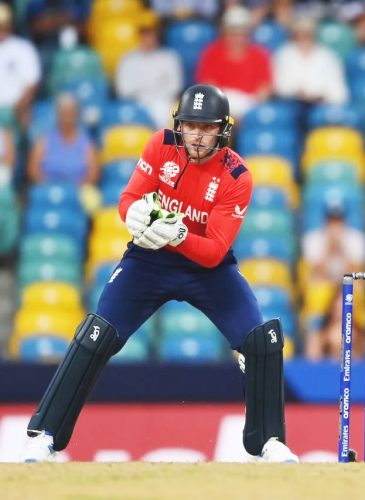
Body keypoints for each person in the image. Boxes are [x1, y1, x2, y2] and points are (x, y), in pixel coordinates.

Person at [22, 84, 299, 464]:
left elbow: (214, 250)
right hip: (149, 259)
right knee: (96, 334)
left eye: (207, 128)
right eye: (190, 126)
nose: (198, 136)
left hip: (208, 267)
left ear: (223, 130)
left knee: (259, 341)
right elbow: (127, 200)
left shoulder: (238, 175)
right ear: (179, 125)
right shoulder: (160, 145)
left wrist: (181, 233)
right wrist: (132, 214)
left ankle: (270, 442)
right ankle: (45, 436)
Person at [195, 5, 272, 120]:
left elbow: (265, 87)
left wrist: (251, 107)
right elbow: (208, 84)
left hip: (250, 105)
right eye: (233, 32)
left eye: (241, 32)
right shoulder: (211, 52)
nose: (237, 37)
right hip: (222, 103)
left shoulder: (260, 54)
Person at [115, 10, 184, 129]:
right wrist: (148, 90)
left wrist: (150, 91)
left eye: (151, 32)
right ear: (139, 34)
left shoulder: (169, 57)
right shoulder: (128, 60)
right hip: (136, 104)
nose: (148, 37)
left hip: (162, 103)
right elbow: (123, 90)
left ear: (157, 33)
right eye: (144, 33)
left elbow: (175, 86)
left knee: (164, 111)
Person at [272, 16, 349, 107]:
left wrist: (319, 95)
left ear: (314, 34)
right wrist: (298, 93)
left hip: (321, 105)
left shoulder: (328, 56)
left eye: (308, 33)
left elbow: (339, 93)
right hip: (291, 104)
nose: (304, 37)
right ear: (294, 34)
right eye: (300, 32)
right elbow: (280, 87)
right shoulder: (284, 54)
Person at [26, 93, 98, 185]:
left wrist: (74, 189)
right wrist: (52, 188)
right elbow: (33, 170)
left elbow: (93, 174)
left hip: (79, 190)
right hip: (49, 189)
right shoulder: (44, 141)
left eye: (71, 113)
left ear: (76, 114)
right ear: (58, 114)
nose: (67, 117)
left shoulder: (86, 143)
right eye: (64, 113)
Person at [0, 3, 41, 129]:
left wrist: (18, 109)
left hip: (15, 111)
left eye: (3, 25)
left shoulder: (23, 48)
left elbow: (32, 84)